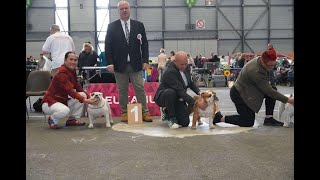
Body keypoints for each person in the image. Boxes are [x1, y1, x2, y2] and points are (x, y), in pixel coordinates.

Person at [212, 49, 294, 127]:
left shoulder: (261, 61)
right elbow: (269, 91)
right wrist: (289, 100)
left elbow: (269, 88)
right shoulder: (256, 71)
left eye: (274, 64)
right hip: (239, 94)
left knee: (273, 89)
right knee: (247, 122)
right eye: (270, 65)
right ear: (263, 61)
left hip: (250, 91)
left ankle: (269, 118)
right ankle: (219, 118)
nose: (273, 67)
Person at [105, 0, 152, 122]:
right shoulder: (111, 27)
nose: (124, 10)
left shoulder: (139, 25)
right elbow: (108, 46)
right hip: (119, 65)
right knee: (122, 90)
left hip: (136, 64)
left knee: (139, 88)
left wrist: (145, 60)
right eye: (121, 9)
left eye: (126, 8)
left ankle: (145, 112)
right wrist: (109, 62)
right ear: (118, 11)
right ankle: (124, 113)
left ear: (129, 9)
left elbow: (145, 44)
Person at [42, 52, 98, 129]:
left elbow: (78, 87)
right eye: (71, 59)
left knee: (83, 94)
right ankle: (52, 119)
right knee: (65, 110)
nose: (73, 62)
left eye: (75, 60)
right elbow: (70, 91)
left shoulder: (72, 71)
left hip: (62, 101)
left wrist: (88, 97)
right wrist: (87, 101)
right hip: (49, 103)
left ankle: (71, 120)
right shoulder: (62, 73)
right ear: (65, 60)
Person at [154, 51, 208, 129]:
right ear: (175, 62)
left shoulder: (186, 67)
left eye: (186, 63)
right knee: (171, 92)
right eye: (182, 64)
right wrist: (196, 103)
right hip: (164, 96)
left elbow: (190, 82)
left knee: (184, 123)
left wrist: (200, 93)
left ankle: (167, 112)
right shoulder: (170, 71)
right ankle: (171, 118)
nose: (184, 66)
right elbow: (180, 91)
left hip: (178, 98)